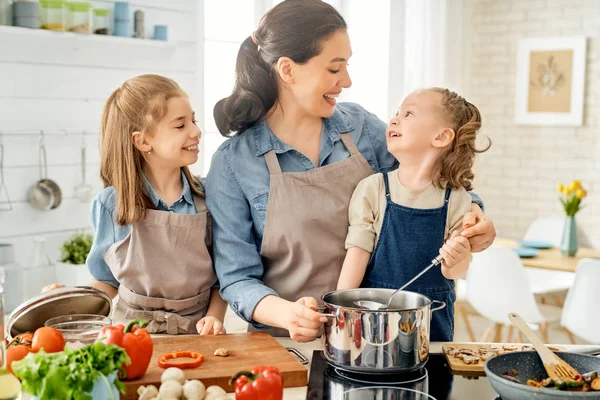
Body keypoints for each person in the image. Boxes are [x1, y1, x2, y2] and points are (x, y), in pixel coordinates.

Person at [206, 0, 496, 342]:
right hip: (285, 343)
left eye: (347, 66)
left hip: (376, 337)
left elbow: (429, 179)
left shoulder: (362, 129)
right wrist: (288, 314)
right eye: (334, 68)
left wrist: (474, 215)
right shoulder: (233, 162)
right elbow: (237, 278)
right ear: (288, 70)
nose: (347, 80)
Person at [337, 88, 491, 341]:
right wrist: (341, 313)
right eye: (397, 113)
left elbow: (455, 272)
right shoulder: (373, 188)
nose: (394, 119)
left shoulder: (457, 199)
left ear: (441, 137)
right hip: (375, 317)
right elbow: (356, 254)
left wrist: (457, 258)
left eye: (408, 113)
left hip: (433, 321)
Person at [83, 74, 226, 335]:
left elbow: (224, 276)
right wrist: (70, 299)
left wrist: (215, 318)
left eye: (193, 120)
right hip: (129, 337)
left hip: (198, 334)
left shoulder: (211, 196)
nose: (196, 131)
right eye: (180, 125)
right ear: (143, 141)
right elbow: (105, 281)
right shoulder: (110, 205)